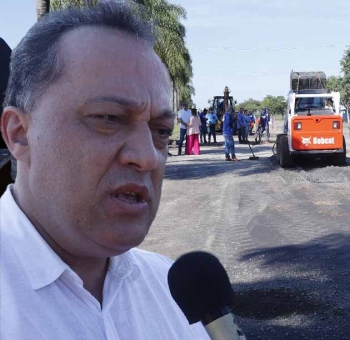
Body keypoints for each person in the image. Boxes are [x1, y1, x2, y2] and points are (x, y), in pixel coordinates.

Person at [0, 3, 210, 339]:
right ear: (20, 134)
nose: (148, 157)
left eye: (160, 131)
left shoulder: (171, 292)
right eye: (109, 118)